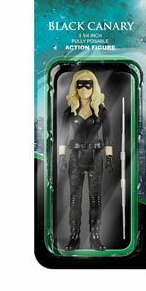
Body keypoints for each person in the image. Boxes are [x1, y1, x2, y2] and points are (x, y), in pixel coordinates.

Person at [58, 69, 113, 251]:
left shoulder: (101, 112)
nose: (83, 89)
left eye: (87, 85)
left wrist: (109, 157)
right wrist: (62, 156)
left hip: (95, 156)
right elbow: (63, 137)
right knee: (75, 198)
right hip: (76, 156)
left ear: (93, 87)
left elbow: (108, 136)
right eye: (79, 85)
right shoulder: (70, 112)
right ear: (75, 87)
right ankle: (74, 236)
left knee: (95, 198)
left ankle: (95, 237)